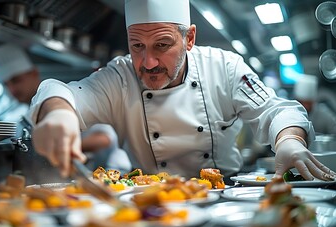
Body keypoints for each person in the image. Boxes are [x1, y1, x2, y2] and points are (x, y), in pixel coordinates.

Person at [29, 0, 336, 181]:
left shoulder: (224, 67)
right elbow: (64, 91)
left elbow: (275, 110)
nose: (148, 62)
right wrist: (58, 114)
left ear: (189, 38)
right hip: (150, 205)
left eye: (162, 45)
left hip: (226, 201)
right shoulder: (120, 76)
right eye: (137, 46)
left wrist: (289, 140)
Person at [0, 43, 131, 176]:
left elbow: (104, 139)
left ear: (34, 73)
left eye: (16, 80)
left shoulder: (67, 97)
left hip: (107, 174)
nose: (12, 89)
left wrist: (59, 147)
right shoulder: (19, 115)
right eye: (6, 84)